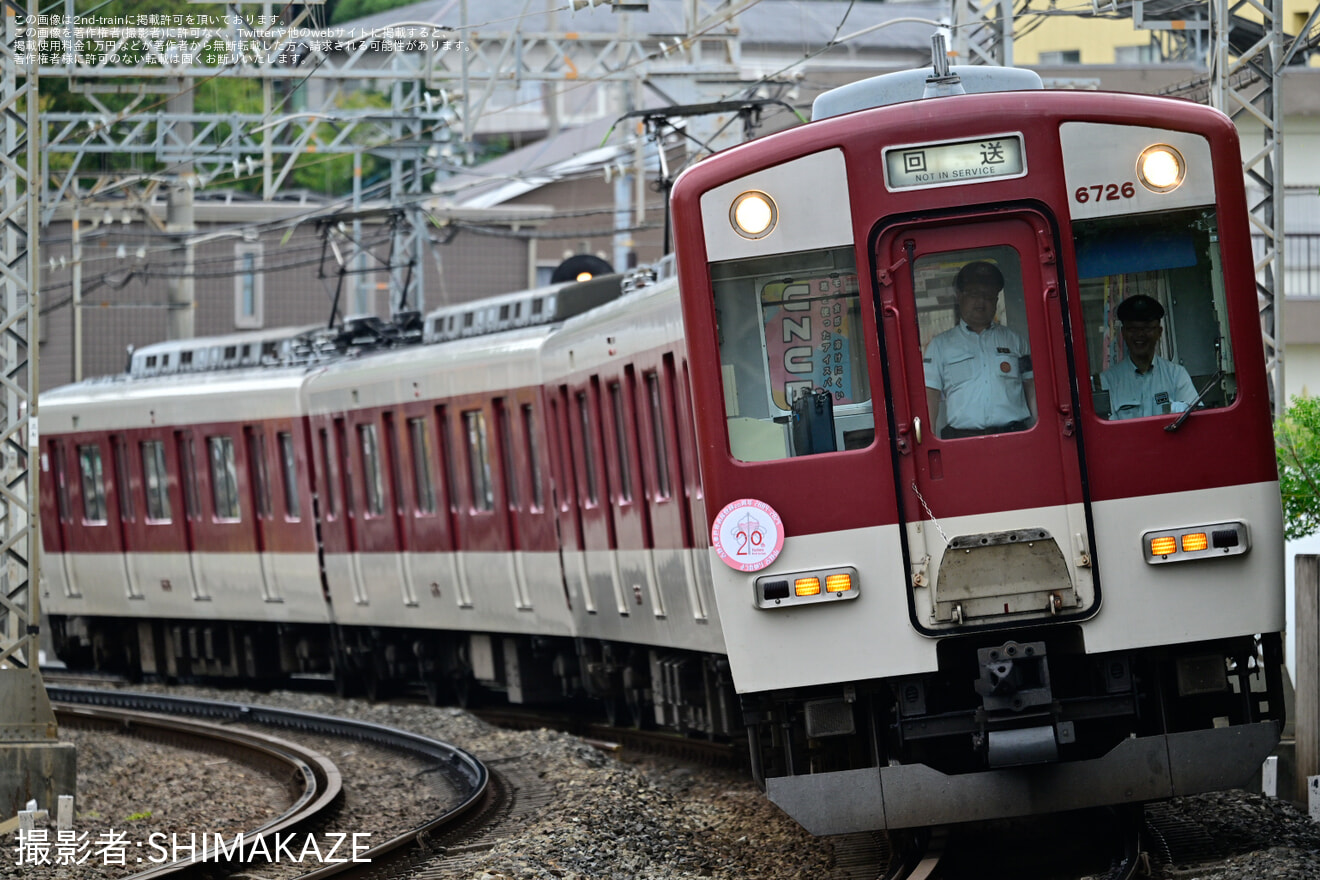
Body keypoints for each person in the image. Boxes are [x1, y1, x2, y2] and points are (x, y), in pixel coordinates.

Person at [923, 261, 1035, 439]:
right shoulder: (940, 346)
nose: (981, 302)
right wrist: (929, 441)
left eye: (989, 296)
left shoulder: (1016, 342)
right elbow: (930, 397)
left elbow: (1032, 390)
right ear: (960, 296)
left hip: (1015, 438)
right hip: (962, 443)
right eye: (974, 294)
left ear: (997, 301)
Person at [1099, 294, 1197, 420]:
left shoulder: (1176, 375)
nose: (1140, 335)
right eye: (1133, 329)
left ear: (1159, 332)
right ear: (1123, 333)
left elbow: (1196, 419)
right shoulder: (1108, 381)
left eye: (1147, 328)